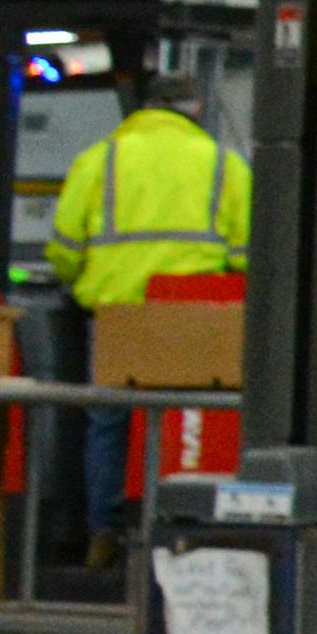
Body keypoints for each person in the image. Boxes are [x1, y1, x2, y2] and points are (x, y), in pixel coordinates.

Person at [41, 58, 249, 539]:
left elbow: (64, 249)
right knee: (187, 422)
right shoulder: (225, 164)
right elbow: (246, 255)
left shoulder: (100, 160)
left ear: (145, 108)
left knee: (110, 423)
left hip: (117, 313)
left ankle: (105, 533)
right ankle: (181, 525)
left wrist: (80, 281)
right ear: (196, 110)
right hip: (195, 312)